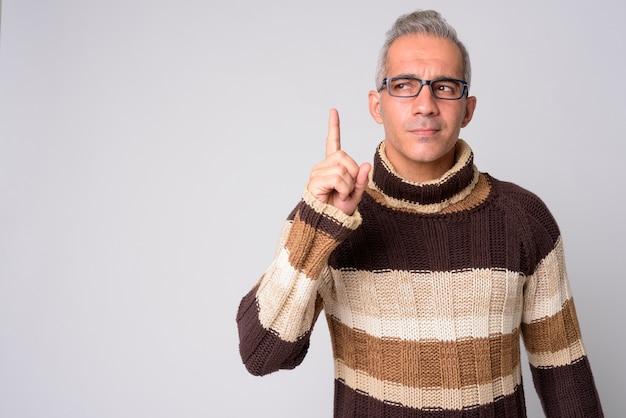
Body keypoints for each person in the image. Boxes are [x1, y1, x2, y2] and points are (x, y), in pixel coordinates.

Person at [236, 9, 603, 417]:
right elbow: (260, 354)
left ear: (467, 108)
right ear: (377, 105)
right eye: (405, 86)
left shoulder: (523, 219)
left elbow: (566, 380)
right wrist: (318, 226)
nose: (425, 105)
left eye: (444, 87)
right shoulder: (328, 215)